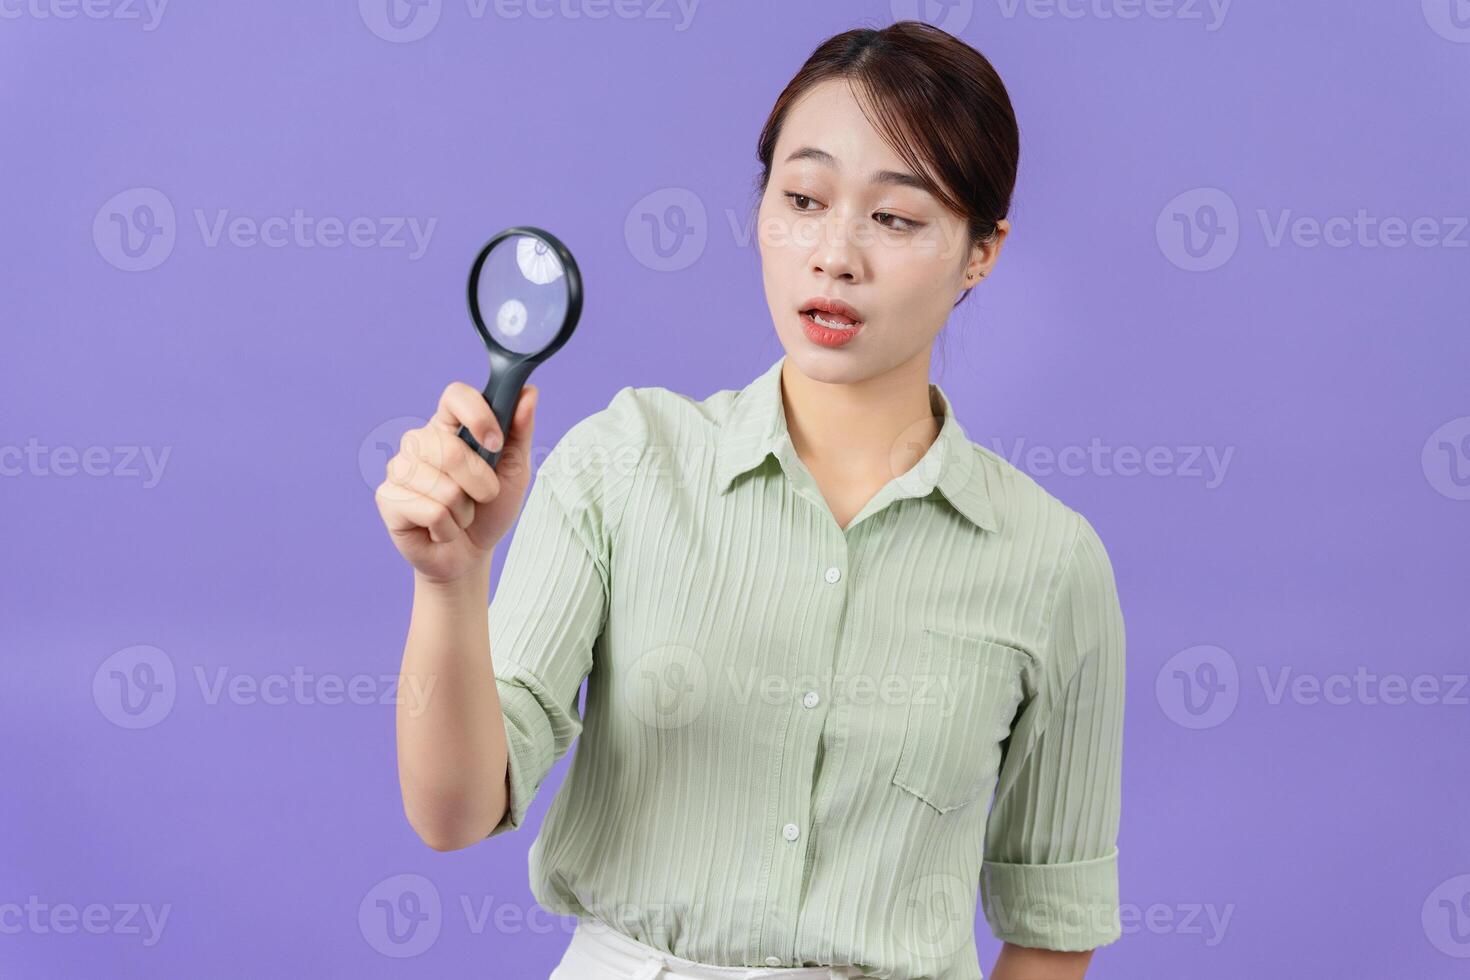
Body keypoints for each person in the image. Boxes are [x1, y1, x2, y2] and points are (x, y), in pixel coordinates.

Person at [375, 20, 1126, 980]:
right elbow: (453, 813)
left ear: (981, 251)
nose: (836, 255)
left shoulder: (1052, 563)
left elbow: (1052, 929)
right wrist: (451, 579)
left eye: (896, 218)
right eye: (803, 199)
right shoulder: (623, 465)